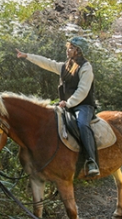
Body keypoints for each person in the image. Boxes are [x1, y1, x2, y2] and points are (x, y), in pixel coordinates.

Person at [16, 36, 100, 177]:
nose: (68, 50)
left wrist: (68, 103)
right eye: (68, 47)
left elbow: (83, 90)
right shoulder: (65, 66)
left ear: (79, 51)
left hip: (83, 106)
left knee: (82, 124)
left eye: (72, 48)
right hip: (67, 106)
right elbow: (47, 63)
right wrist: (27, 56)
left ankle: (91, 161)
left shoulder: (86, 67)